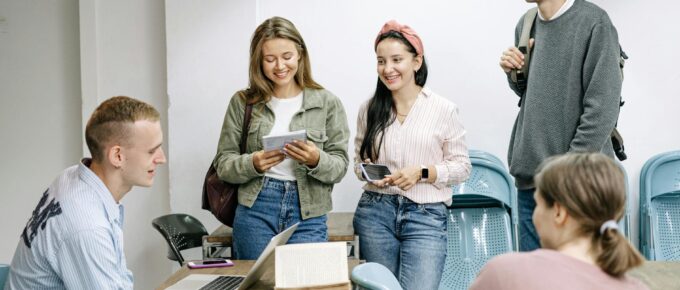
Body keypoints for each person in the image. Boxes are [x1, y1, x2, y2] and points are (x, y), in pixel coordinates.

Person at [214, 16, 350, 260]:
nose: (279, 66)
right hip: (255, 208)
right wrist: (253, 163)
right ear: (258, 61)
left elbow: (340, 167)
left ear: (300, 54)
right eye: (270, 59)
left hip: (308, 212)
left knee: (305, 284)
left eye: (287, 56)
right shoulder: (243, 103)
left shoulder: (327, 103)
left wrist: (316, 159)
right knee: (258, 285)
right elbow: (224, 164)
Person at [353, 20, 471, 290]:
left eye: (397, 60)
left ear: (417, 62)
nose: (388, 68)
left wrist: (422, 172)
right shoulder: (369, 109)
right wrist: (369, 172)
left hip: (426, 216)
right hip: (375, 212)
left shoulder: (444, 109)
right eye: (381, 61)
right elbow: (357, 163)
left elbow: (462, 167)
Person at [499, 0, 623, 251]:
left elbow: (602, 111)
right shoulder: (526, 23)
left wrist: (565, 175)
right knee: (535, 280)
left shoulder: (595, 22)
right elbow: (530, 93)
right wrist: (514, 72)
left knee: (581, 278)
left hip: (578, 185)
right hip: (531, 182)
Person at [7, 96, 166, 290]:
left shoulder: (72, 177)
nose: (162, 159)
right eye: (152, 151)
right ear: (117, 156)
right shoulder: (87, 227)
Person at [470, 153, 648, 290]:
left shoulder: (505, 273)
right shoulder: (636, 287)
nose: (534, 215)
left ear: (559, 212)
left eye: (537, 205)